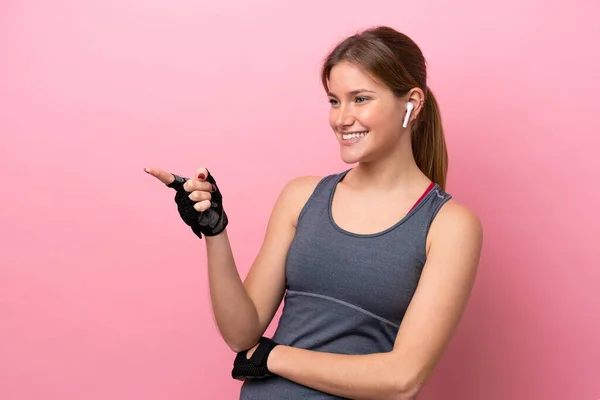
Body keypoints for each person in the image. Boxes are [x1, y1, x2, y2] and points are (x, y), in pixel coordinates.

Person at [145, 25, 483, 400]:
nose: (342, 118)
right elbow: (241, 333)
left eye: (360, 99)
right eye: (334, 101)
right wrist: (215, 232)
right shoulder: (302, 197)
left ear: (412, 103)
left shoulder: (449, 226)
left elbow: (402, 379)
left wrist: (274, 358)